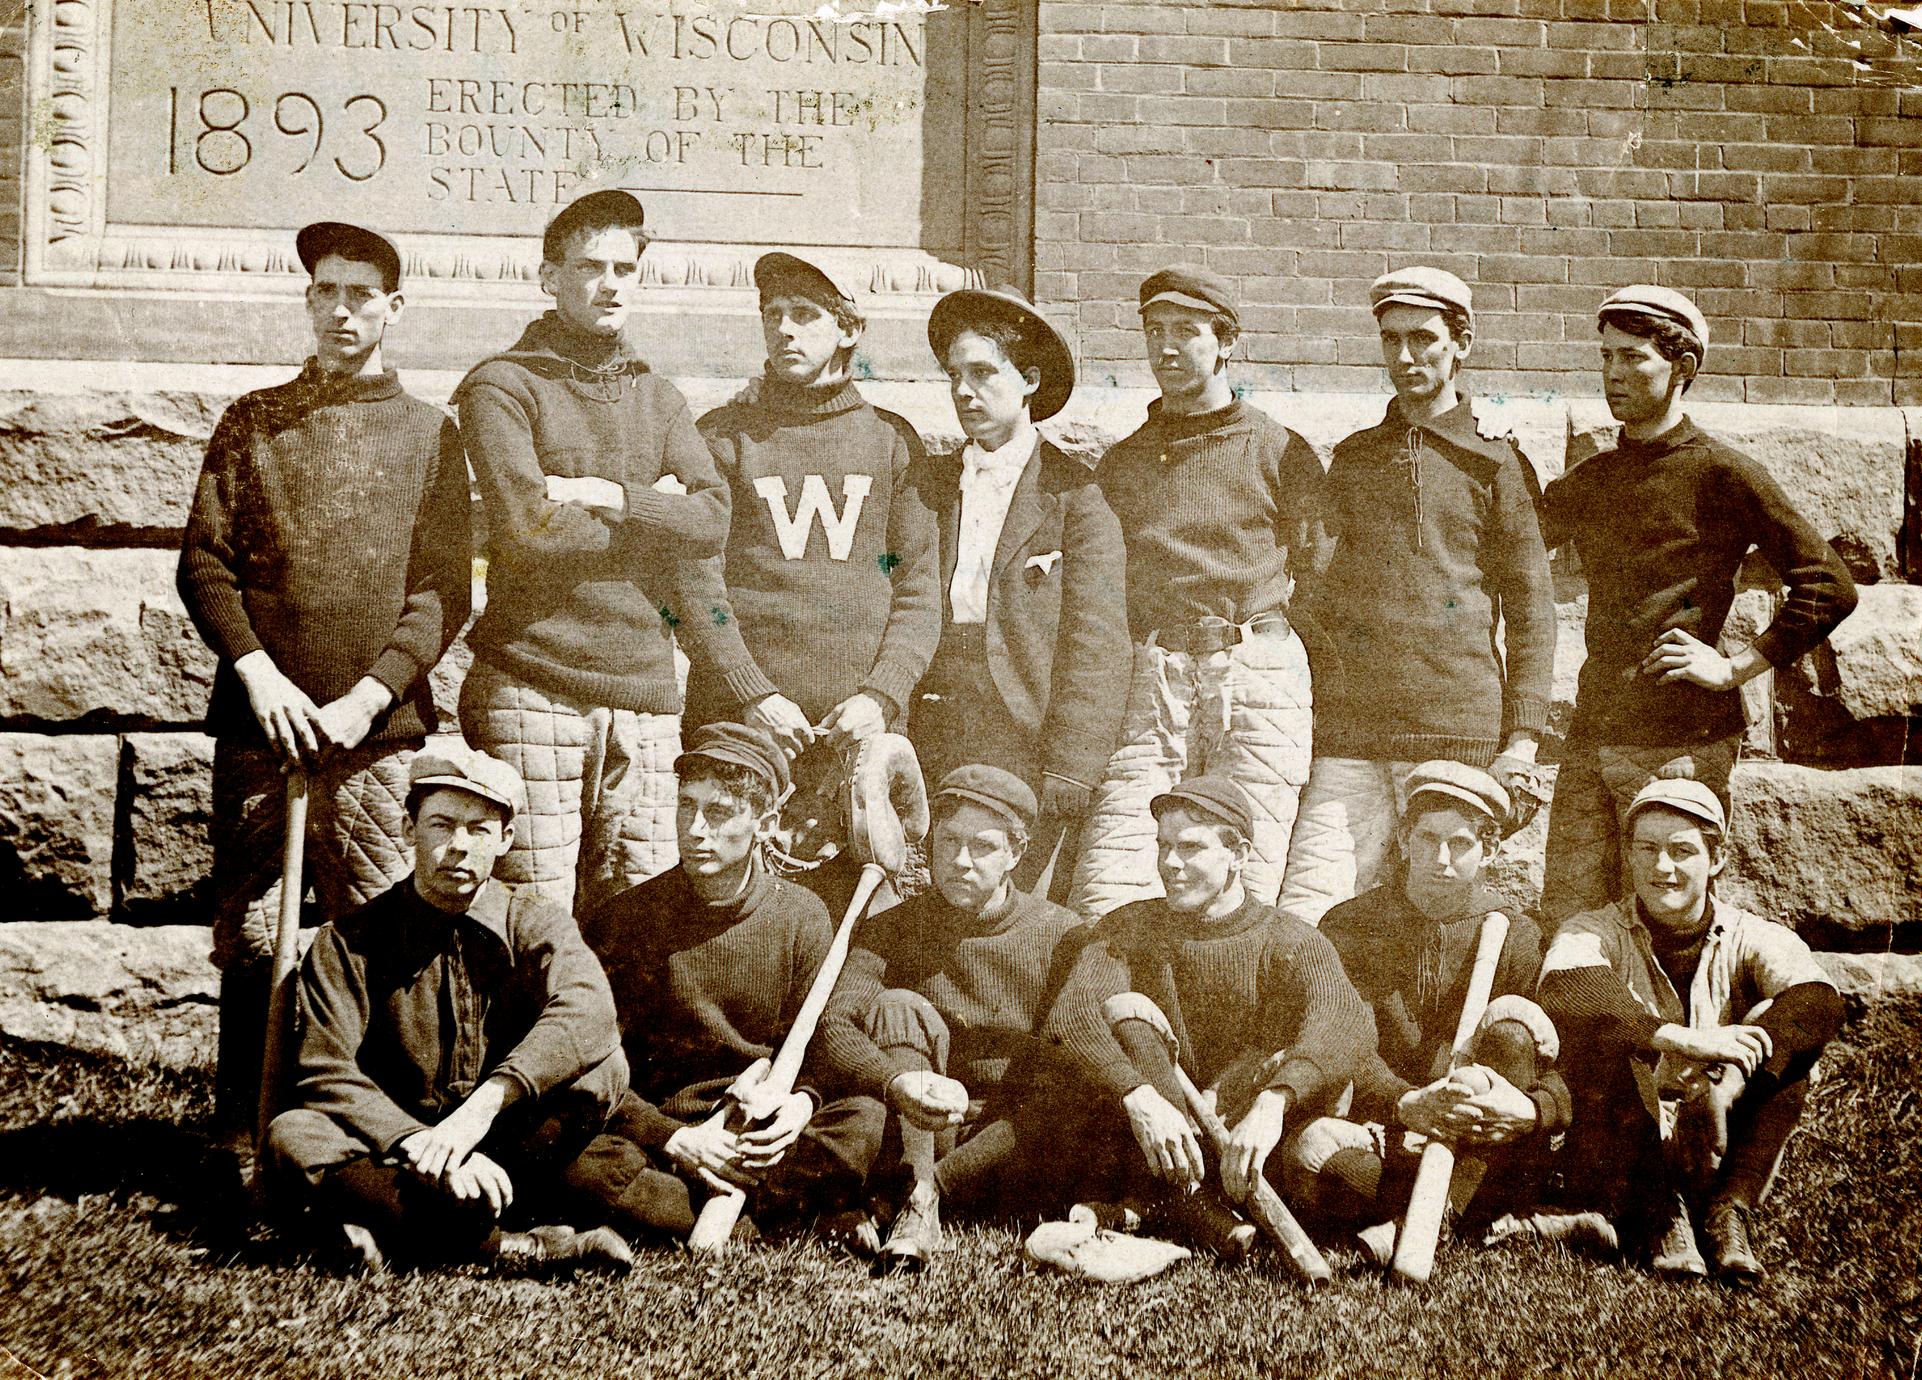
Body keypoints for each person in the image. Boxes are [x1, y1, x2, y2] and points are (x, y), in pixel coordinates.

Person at [177, 220, 471, 1158]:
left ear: (394, 308)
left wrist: (367, 698)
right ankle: (245, 1135)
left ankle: (371, 1140)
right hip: (265, 728)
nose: (342, 310)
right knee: (258, 938)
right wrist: (259, 675)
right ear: (308, 303)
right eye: (326, 293)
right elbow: (205, 566)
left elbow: (441, 591)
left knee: (381, 936)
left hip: (376, 738)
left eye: (362, 294)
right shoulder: (254, 420)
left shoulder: (432, 435)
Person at [1537, 285, 1857, 922]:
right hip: (1595, 735)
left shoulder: (1722, 473)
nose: (1614, 373)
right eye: (1606, 357)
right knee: (1570, 921)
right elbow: (1502, 550)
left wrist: (1736, 666)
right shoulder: (1594, 480)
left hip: (1681, 741)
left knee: (1670, 921)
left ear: (1681, 368)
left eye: (1634, 358)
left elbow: (1830, 584)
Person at [454, 188, 729, 914]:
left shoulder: (659, 396)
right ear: (549, 277)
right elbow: (530, 528)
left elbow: (711, 519)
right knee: (532, 916)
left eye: (625, 268)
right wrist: (654, 512)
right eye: (589, 267)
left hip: (644, 692)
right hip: (535, 684)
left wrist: (611, 495)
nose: (610, 284)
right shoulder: (502, 386)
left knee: (642, 919)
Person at [261, 746, 635, 1274]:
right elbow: (325, 1070)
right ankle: (519, 1247)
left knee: (604, 1068)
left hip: (504, 1140)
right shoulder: (348, 941)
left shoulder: (535, 922)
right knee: (294, 1134)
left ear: (505, 840)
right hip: (392, 1145)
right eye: (442, 824)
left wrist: (477, 1116)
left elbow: (589, 1011)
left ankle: (391, 1231)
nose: (458, 846)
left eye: (479, 829)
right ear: (409, 826)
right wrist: (420, 1144)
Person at [1280, 268, 1556, 927]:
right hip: (1351, 736)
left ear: (1461, 343)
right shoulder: (1352, 459)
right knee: (1309, 917)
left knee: (1432, 923)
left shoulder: (1496, 466)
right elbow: (1317, 600)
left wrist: (1520, 740)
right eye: (1391, 340)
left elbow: (1531, 612)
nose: (1406, 358)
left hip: (1455, 733)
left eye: (1424, 340)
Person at [676, 251, 939, 911]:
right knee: (741, 917)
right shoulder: (724, 439)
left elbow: (918, 592)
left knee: (866, 924)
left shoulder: (890, 442)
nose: (785, 330)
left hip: (860, 737)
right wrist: (752, 694)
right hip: (748, 730)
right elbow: (695, 590)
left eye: (806, 315)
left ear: (848, 329)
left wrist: (881, 696)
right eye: (774, 315)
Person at [1070, 266, 1326, 916]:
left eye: (1187, 331)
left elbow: (1323, 579)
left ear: (1226, 341)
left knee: (1248, 883)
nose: (1167, 348)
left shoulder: (1280, 451)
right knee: (1113, 882)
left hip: (1256, 678)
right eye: (1155, 331)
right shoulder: (1124, 462)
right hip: (1154, 682)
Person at [569, 722, 883, 1244]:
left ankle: (691, 1210)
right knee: (576, 1154)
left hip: (757, 1125)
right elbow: (594, 1063)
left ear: (766, 823)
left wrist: (798, 1103)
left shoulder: (802, 915)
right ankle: (771, 1215)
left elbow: (816, 1045)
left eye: (718, 813)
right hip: (663, 1127)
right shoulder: (627, 920)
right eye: (686, 806)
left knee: (864, 1120)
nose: (694, 829)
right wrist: (676, 1140)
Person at [1050, 776, 1372, 1256]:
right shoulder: (1129, 927)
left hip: (1247, 1135)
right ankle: (1186, 1203)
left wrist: (1274, 1102)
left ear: (1238, 855)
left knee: (1352, 1182)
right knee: (1128, 1015)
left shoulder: (1289, 939)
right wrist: (1137, 1095)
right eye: (1163, 847)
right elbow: (1071, 1018)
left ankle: (1166, 1205)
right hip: (1154, 1133)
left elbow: (1346, 1023)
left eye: (1191, 848)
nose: (1170, 864)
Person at [1538, 776, 1843, 1281]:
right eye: (1647, 849)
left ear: (1716, 858)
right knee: (1605, 1038)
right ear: (1629, 856)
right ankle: (1659, 1216)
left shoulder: (1753, 933)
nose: (1662, 868)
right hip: (1626, 1135)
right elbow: (1566, 989)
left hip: (1719, 1132)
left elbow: (1818, 1000)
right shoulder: (1591, 928)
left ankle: (1729, 1212)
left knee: (1788, 1042)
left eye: (1681, 851)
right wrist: (1680, 1038)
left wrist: (1732, 1078)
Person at [815, 765, 1101, 1269]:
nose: (961, 861)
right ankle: (915, 1200)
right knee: (900, 1006)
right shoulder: (892, 929)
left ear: (1016, 853)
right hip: (919, 1127)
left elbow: (1067, 1071)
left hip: (1007, 1143)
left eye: (983, 846)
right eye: (948, 841)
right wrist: (894, 1080)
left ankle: (917, 1198)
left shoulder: (1064, 935)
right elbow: (834, 1023)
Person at [1287, 762, 1570, 1260]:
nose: (1441, 858)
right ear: (1402, 839)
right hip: (1386, 1123)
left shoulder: (1518, 934)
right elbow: (1343, 1043)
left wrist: (1527, 1109)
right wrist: (1406, 1103)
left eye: (1460, 843)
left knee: (1511, 1034)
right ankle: (1467, 1214)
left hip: (1479, 1135)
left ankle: (1423, 1219)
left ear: (1491, 850)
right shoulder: (1352, 925)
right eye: (1427, 838)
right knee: (1330, 1177)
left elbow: (1547, 1059)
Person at [908, 288, 1129, 899]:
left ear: (1028, 379)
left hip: (1023, 726)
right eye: (954, 375)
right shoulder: (928, 485)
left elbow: (1098, 641)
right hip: (937, 712)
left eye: (983, 373)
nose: (963, 392)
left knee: (1015, 897)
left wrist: (1071, 767)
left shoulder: (1076, 496)